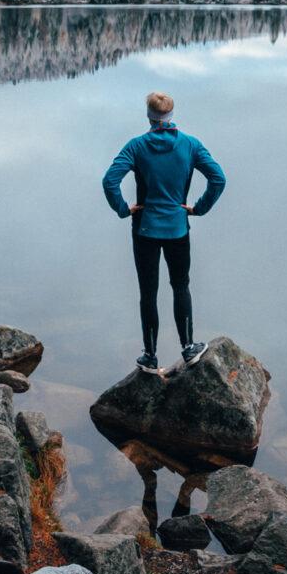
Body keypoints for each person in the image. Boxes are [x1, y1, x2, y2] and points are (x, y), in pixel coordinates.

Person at [102, 91, 226, 374]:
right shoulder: (190, 145)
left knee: (148, 292)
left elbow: (110, 181)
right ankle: (189, 348)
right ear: (171, 115)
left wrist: (123, 209)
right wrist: (198, 209)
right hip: (178, 228)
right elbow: (218, 178)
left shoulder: (136, 147)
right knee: (180, 286)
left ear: (149, 115)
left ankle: (149, 356)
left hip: (145, 229)